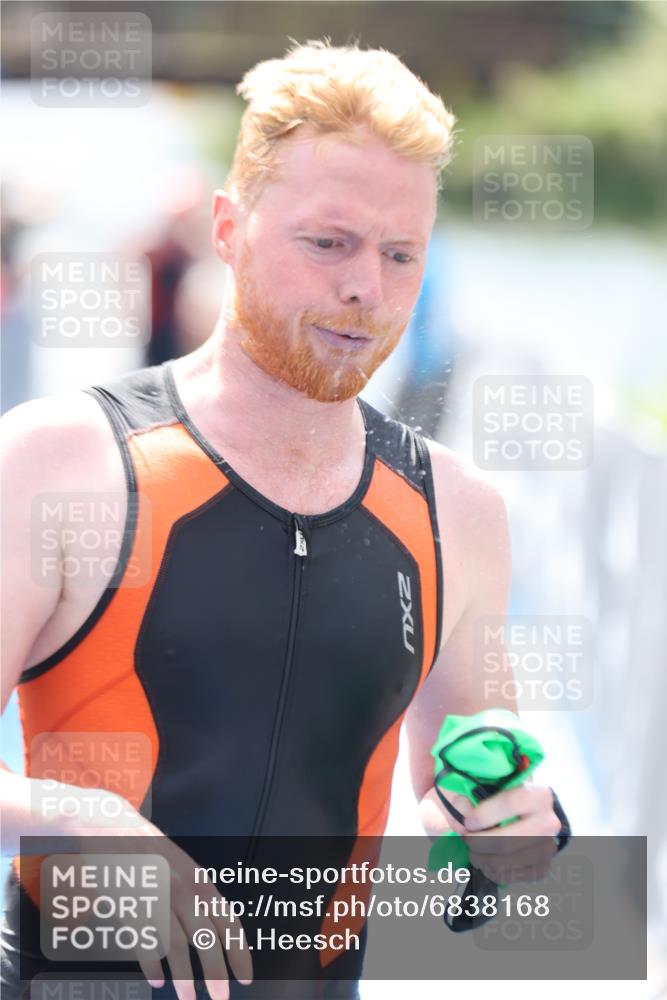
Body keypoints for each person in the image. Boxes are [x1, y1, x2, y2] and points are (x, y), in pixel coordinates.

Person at [0, 39, 567, 1000]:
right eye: (328, 243)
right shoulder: (61, 462)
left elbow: (476, 811)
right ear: (228, 229)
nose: (366, 289)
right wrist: (78, 817)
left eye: (400, 254)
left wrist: (513, 837)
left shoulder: (458, 511)